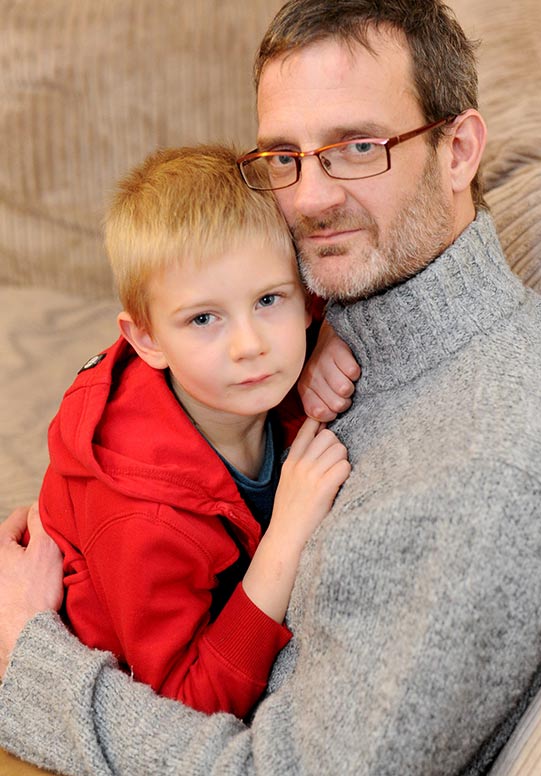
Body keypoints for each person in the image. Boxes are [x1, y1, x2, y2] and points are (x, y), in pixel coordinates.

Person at [0, 1, 541, 774]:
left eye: (359, 147)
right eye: (284, 157)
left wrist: (30, 658)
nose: (311, 200)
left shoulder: (492, 476)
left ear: (458, 150)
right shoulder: (350, 300)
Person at [31, 143, 351, 718]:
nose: (249, 344)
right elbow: (184, 705)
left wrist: (326, 341)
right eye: (204, 319)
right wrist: (286, 534)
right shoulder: (145, 519)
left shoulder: (272, 362)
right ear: (147, 339)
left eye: (269, 300)